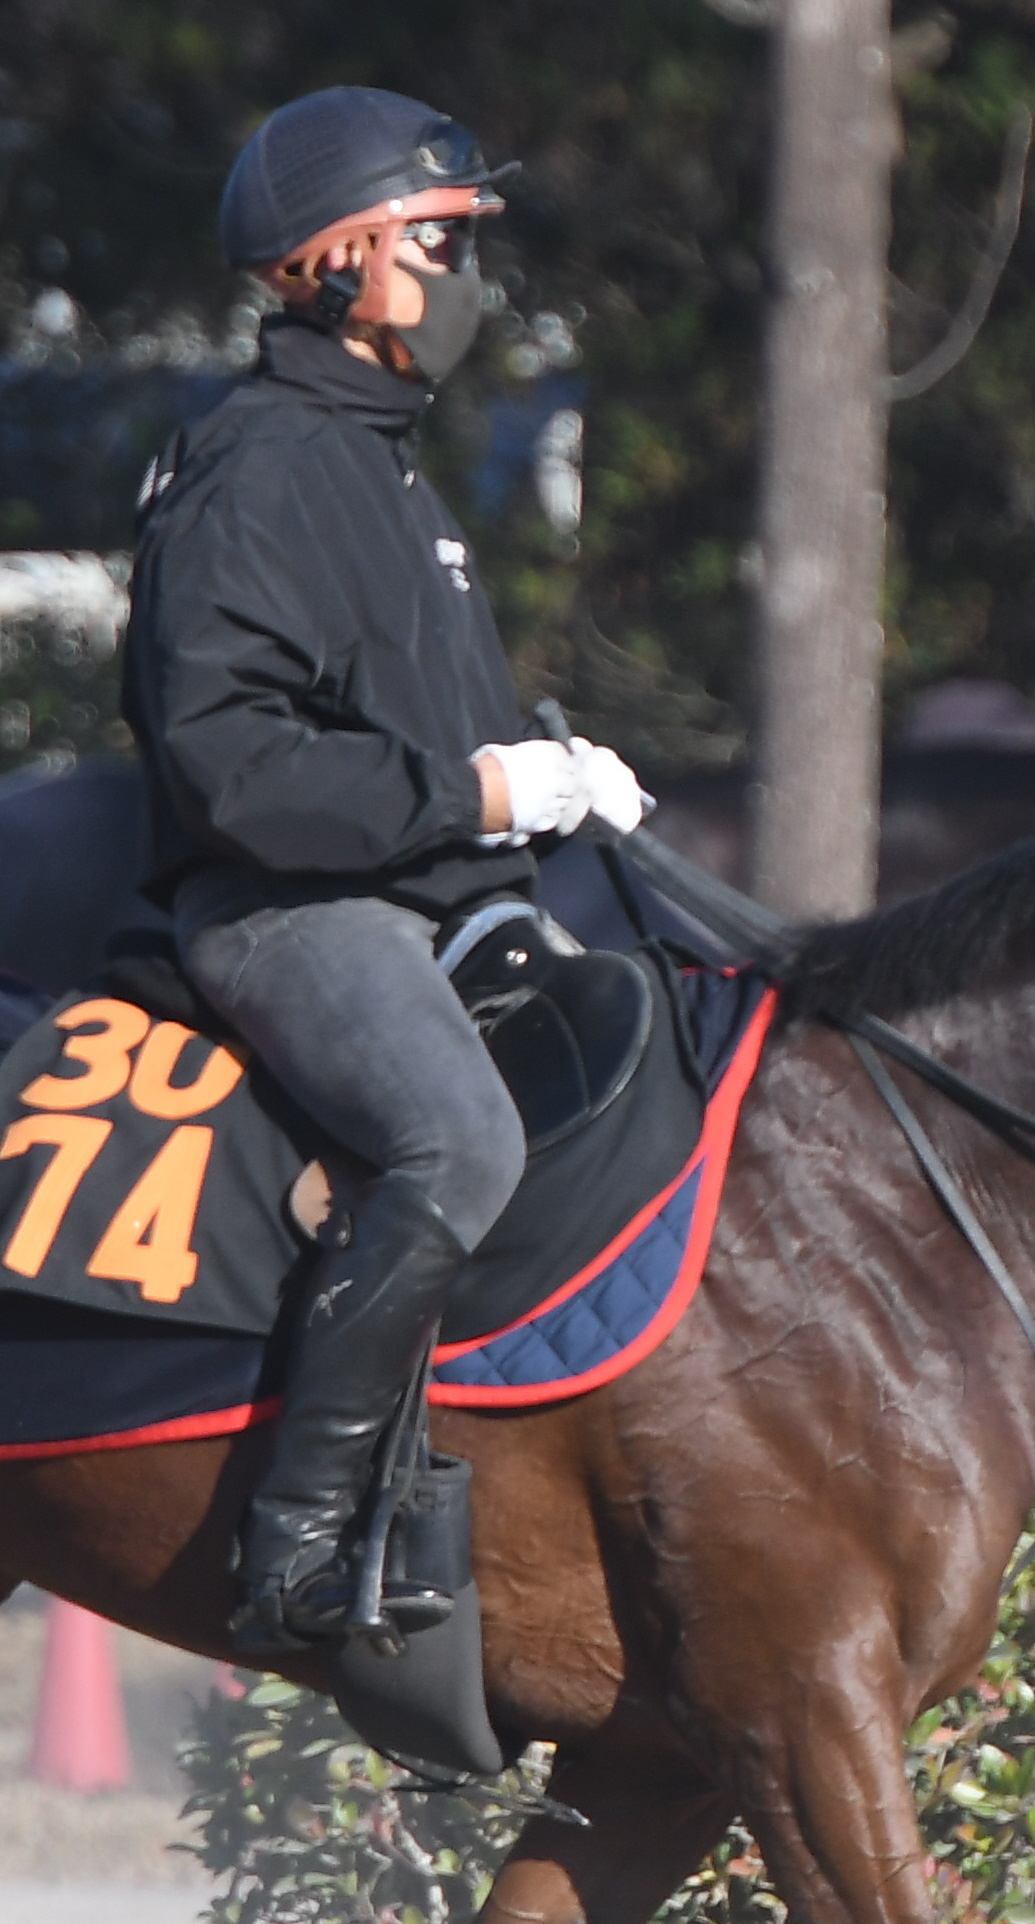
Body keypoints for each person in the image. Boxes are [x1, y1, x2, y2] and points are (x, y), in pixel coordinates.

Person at [126, 85, 651, 1653]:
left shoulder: (381, 460)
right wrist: (482, 786)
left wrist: (540, 788)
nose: (471, 277)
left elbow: (422, 743)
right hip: (290, 914)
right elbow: (230, 762)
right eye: (440, 240)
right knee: (459, 1145)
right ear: (340, 260)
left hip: (425, 898)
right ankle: (296, 1549)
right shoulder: (260, 463)